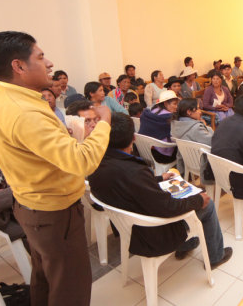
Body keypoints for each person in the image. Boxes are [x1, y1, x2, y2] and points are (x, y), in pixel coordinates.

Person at [0, 31, 111, 305]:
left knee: (45, 278)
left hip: (30, 205)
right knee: (70, 287)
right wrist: (103, 124)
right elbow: (81, 161)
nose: (49, 63)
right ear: (18, 66)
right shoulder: (25, 112)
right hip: (54, 213)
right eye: (40, 57)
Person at [88, 112, 232, 268]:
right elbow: (167, 207)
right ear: (133, 138)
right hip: (153, 234)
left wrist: (158, 179)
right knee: (207, 204)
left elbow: (128, 184)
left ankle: (187, 245)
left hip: (128, 229)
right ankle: (215, 257)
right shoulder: (133, 171)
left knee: (182, 194)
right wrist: (198, 200)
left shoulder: (95, 163)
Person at [171, 98, 214, 186]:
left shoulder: (176, 124)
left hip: (188, 160)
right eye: (197, 109)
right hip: (202, 163)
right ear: (189, 112)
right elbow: (213, 142)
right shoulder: (196, 128)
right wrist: (206, 127)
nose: (200, 112)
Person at [139, 90, 179, 164]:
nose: (176, 107)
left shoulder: (151, 112)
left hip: (145, 151)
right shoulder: (169, 118)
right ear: (166, 103)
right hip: (163, 155)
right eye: (174, 104)